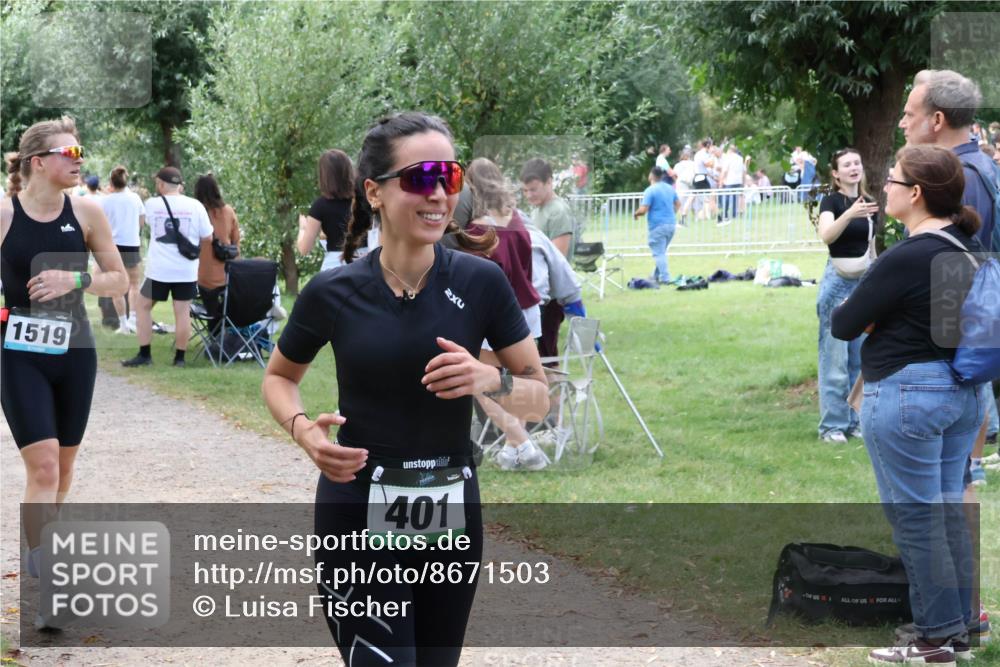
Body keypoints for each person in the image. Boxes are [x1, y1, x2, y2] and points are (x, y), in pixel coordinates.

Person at [261, 112, 549, 665]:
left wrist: (489, 378)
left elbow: (539, 396)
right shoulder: (333, 291)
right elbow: (279, 377)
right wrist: (303, 432)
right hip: (355, 513)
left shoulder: (480, 282)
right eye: (421, 178)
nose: (439, 194)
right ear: (375, 191)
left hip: (450, 517)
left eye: (449, 177)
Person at [832, 145, 986, 664]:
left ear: (915, 193)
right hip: (961, 393)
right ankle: (958, 629)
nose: (884, 187)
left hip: (909, 395)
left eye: (892, 180)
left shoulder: (909, 254)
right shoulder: (967, 245)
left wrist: (876, 316)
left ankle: (935, 639)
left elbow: (844, 322)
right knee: (944, 512)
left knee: (917, 519)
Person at [1, 117, 128, 599]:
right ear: (38, 162)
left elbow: (120, 280)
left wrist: (74, 279)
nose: (80, 161)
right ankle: (49, 579)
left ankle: (44, 550)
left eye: (80, 152)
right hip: (19, 352)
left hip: (75, 351)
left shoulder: (88, 212)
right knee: (45, 468)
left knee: (64, 468)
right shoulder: (5, 215)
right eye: (70, 153)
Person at [900, 66, 998, 638]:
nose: (903, 122)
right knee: (954, 487)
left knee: (955, 489)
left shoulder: (965, 177)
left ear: (937, 120)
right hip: (963, 358)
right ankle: (963, 615)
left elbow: (960, 284)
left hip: (953, 362)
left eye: (911, 113)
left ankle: (963, 616)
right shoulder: (977, 167)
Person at [463, 158, 547, 471]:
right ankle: (514, 450)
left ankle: (522, 442)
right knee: (519, 383)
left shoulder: (476, 230)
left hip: (497, 312)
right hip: (528, 308)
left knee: (480, 382)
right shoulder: (518, 221)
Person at [815, 148, 880, 444]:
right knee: (834, 359)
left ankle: (855, 421)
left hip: (862, 285)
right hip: (837, 284)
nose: (854, 168)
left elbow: (871, 247)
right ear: (836, 173)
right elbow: (826, 235)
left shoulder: (868, 203)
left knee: (859, 357)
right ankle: (832, 426)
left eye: (857, 162)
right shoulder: (831, 201)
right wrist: (850, 214)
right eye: (846, 165)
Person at [122, 166, 212, 368]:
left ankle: (145, 354)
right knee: (182, 312)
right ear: (179, 185)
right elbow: (207, 236)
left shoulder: (152, 204)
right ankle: (179, 359)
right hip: (186, 270)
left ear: (161, 184)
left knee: (142, 307)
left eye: (157, 183)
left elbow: (145, 225)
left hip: (159, 271)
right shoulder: (196, 205)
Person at [521, 157, 578, 361]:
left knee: (547, 358)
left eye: (534, 189)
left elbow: (557, 257)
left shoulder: (558, 211)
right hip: (536, 295)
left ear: (549, 182)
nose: (529, 195)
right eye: (525, 191)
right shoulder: (537, 210)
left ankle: (551, 384)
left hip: (551, 298)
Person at [296, 149, 360, 271]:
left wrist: (303, 228)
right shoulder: (364, 199)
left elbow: (304, 249)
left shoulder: (320, 206)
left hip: (335, 266)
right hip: (365, 262)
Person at [100, 166, 145, 333]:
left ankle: (123, 324)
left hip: (112, 246)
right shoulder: (135, 198)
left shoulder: (105, 201)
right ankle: (132, 319)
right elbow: (142, 221)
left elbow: (101, 224)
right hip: (131, 244)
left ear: (111, 182)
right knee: (134, 284)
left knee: (116, 286)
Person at [194, 173, 240, 325]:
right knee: (224, 311)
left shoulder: (196, 213)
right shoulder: (228, 211)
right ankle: (223, 332)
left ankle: (215, 333)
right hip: (228, 273)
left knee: (211, 312)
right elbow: (236, 241)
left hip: (203, 275)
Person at [633, 167, 680, 285]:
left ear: (651, 176)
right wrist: (671, 213)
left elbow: (643, 210)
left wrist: (636, 213)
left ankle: (665, 278)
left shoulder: (650, 190)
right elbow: (678, 204)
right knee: (661, 252)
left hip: (657, 226)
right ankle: (655, 276)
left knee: (658, 253)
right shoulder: (670, 188)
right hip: (671, 225)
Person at [718, 143, 746, 223]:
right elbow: (744, 171)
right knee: (735, 198)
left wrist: (721, 182)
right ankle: (734, 214)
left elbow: (724, 171)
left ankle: (725, 214)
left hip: (729, 181)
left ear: (729, 150)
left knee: (726, 197)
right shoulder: (740, 158)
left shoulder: (728, 158)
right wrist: (743, 182)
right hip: (738, 181)